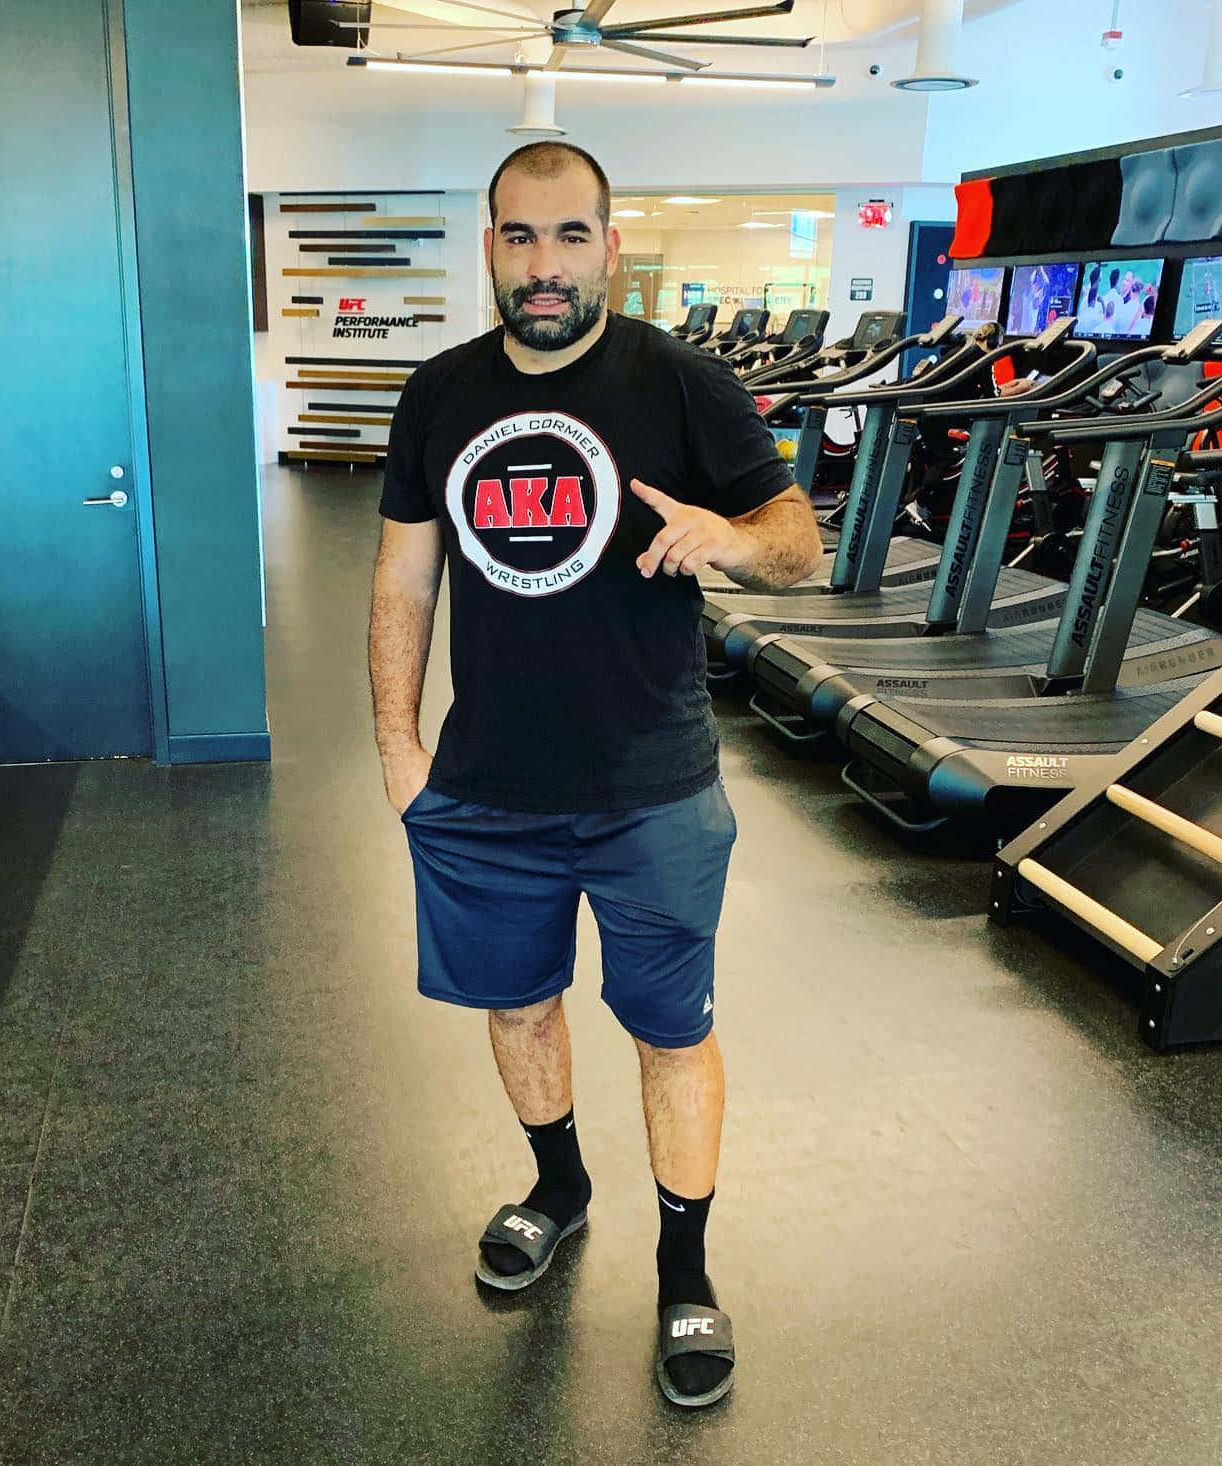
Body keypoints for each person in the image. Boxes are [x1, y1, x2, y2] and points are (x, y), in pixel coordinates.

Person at [368, 141, 822, 1410]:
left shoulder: (683, 383)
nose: (545, 264)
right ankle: (559, 1185)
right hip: (487, 783)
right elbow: (405, 574)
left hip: (652, 786)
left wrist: (730, 538)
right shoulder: (439, 395)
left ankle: (685, 1262)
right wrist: (399, 744)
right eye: (521, 236)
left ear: (610, 247)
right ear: (490, 247)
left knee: (672, 1031)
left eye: (571, 236)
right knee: (518, 1008)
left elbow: (799, 541)